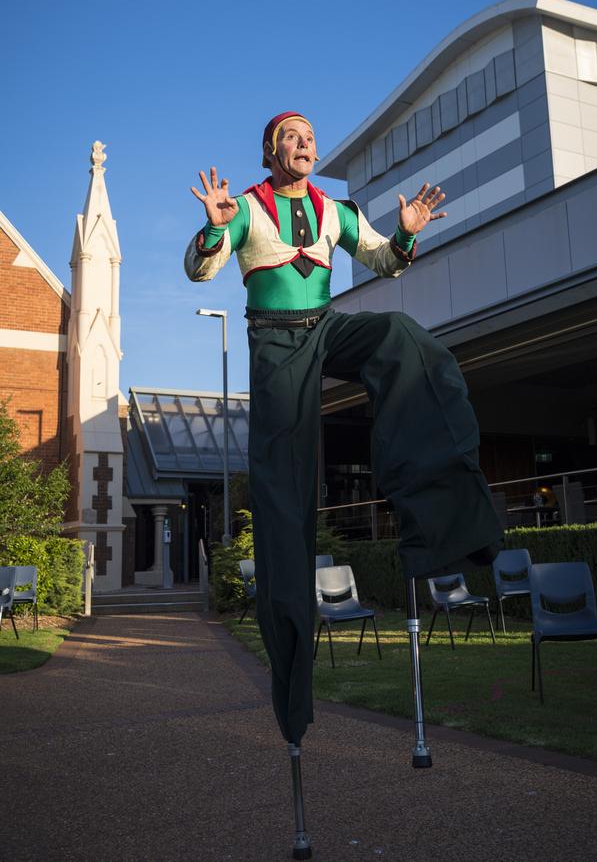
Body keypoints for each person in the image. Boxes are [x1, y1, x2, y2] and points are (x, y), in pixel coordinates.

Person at [185, 111, 503, 746]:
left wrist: (407, 235)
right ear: (271, 152)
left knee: (403, 336)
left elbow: (384, 262)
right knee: (284, 497)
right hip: (276, 351)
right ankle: (293, 667)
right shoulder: (246, 208)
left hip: (326, 330)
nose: (306, 145)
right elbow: (200, 271)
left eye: (309, 137)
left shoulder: (338, 209)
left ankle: (437, 506)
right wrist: (211, 231)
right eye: (292, 139)